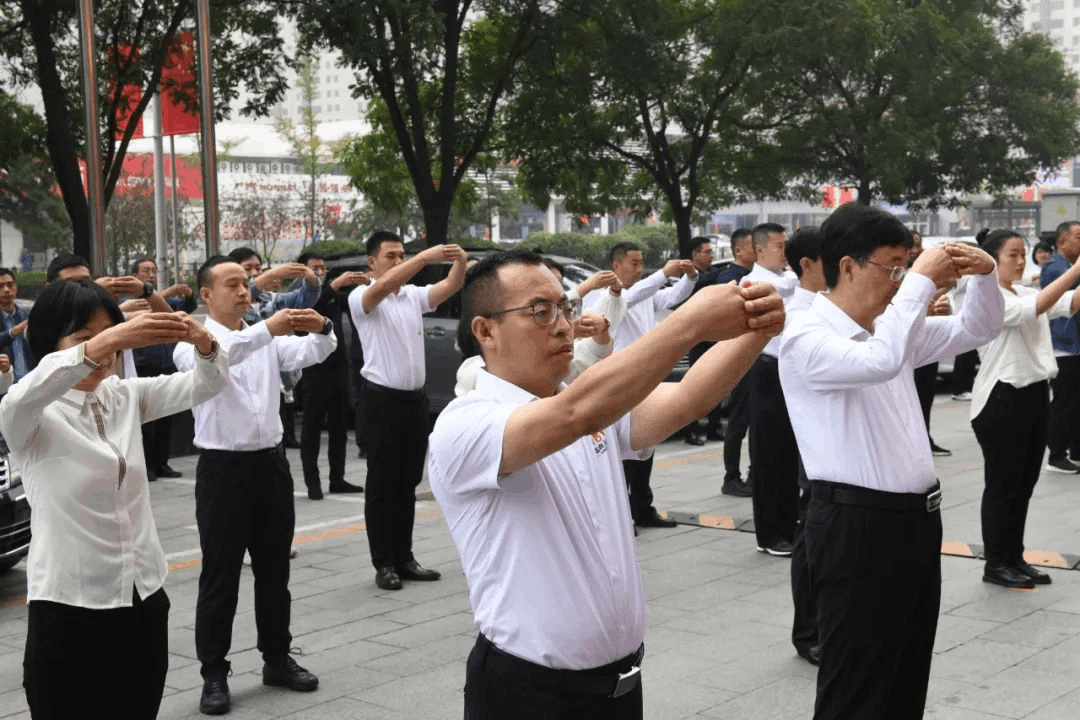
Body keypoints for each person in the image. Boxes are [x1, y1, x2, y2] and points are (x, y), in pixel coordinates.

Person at [428, 249, 784, 719]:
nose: (561, 325)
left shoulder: (581, 405)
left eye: (565, 307)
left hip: (617, 686)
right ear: (485, 330)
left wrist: (759, 328)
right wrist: (687, 324)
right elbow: (576, 413)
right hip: (531, 695)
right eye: (540, 311)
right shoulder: (466, 425)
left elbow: (686, 400)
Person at [780, 203, 1003, 720]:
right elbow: (878, 363)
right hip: (855, 524)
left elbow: (979, 329)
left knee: (906, 673)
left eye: (908, 265)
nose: (901, 278)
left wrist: (986, 272)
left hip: (915, 522)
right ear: (849, 266)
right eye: (893, 267)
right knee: (857, 684)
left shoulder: (890, 329)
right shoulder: (805, 335)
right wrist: (921, 283)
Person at [1, 279, 225, 720]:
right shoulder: (30, 414)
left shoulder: (124, 396)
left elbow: (205, 384)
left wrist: (203, 341)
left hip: (142, 597)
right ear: (52, 343)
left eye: (111, 338)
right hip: (69, 607)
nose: (105, 352)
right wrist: (111, 336)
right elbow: (20, 396)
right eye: (87, 339)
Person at [175, 257, 336, 716]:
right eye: (232, 284)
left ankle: (277, 657)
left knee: (274, 572)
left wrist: (322, 326)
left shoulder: (262, 337)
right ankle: (213, 672)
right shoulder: (191, 341)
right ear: (205, 294)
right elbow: (221, 356)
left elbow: (312, 352)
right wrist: (271, 328)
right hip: (222, 472)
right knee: (220, 576)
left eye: (246, 284)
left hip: (270, 467)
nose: (244, 291)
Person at [348, 231, 467, 591]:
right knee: (382, 485)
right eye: (391, 256)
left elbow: (449, 286)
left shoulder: (411, 297)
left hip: (414, 401)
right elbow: (384, 287)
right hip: (381, 401)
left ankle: (404, 556)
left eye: (402, 255)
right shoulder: (364, 297)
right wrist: (423, 257)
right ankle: (383, 562)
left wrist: (459, 262)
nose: (399, 261)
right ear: (372, 262)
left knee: (407, 483)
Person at [970, 230, 1080, 589]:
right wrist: (1075, 269)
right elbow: (1038, 306)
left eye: (1023, 255)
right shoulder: (987, 299)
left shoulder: (1022, 291)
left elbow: (1069, 302)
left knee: (1024, 484)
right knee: (1002, 486)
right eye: (1012, 256)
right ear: (991, 262)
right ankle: (996, 562)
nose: (1021, 262)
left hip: (1033, 394)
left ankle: (1014, 557)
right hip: (1002, 399)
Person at [585, 242, 697, 529]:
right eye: (633, 263)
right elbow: (629, 298)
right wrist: (662, 272)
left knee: (646, 444)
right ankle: (618, 516)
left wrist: (690, 277)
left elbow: (671, 297)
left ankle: (642, 508)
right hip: (618, 379)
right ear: (616, 265)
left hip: (644, 377)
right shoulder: (607, 296)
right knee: (622, 449)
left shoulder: (645, 293)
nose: (639, 268)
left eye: (641, 262)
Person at [782, 227, 826, 667]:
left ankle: (826, 626)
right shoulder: (798, 314)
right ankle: (807, 632)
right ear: (808, 265)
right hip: (815, 444)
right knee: (811, 539)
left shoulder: (835, 308)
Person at [742, 223, 800, 556]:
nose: (785, 252)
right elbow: (790, 292)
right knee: (768, 453)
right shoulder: (755, 283)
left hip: (786, 370)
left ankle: (787, 524)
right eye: (780, 246)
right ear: (760, 249)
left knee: (789, 453)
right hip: (765, 370)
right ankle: (770, 533)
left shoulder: (787, 280)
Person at [226, 247, 321, 449]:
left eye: (258, 268)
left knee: (273, 438)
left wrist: (310, 278)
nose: (255, 272)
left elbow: (301, 300)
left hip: (270, 374)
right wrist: (274, 273)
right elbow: (248, 292)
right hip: (241, 376)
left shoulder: (269, 299)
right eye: (247, 268)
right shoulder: (228, 301)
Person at [295, 252, 368, 499]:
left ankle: (337, 478)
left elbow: (359, 301)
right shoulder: (300, 295)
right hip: (314, 369)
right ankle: (312, 482)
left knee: (339, 427)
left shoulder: (334, 294)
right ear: (302, 271)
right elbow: (310, 310)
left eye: (323, 268)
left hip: (338, 368)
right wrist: (334, 285)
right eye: (315, 268)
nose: (321, 272)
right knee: (312, 427)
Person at [130, 257, 198, 481]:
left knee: (165, 418)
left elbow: (187, 308)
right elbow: (143, 307)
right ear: (135, 276)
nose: (151, 274)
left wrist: (188, 294)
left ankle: (162, 463)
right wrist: (162, 293)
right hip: (143, 364)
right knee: (146, 421)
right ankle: (147, 465)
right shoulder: (132, 301)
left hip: (166, 363)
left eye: (154, 270)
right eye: (146, 271)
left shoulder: (164, 300)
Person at [908, 234, 954, 458]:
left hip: (927, 343)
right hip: (907, 349)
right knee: (911, 398)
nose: (916, 250)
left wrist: (939, 304)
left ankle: (925, 439)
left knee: (926, 395)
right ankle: (914, 443)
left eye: (919, 245)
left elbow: (948, 286)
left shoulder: (926, 272)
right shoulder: (896, 275)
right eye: (912, 246)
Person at [1040, 220, 1080, 473]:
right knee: (1065, 403)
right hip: (1063, 345)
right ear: (1062, 240)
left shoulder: (1068, 266)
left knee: (1075, 402)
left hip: (1074, 344)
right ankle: (1055, 455)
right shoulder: (1057, 267)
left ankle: (1075, 450)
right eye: (1079, 236)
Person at [0, 267, 31, 382]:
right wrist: (13, 332)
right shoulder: (22, 324)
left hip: (31, 384)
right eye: (0, 286)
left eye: (10, 285)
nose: (6, 290)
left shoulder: (27, 315)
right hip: (5, 387)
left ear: (16, 287)